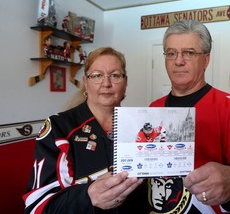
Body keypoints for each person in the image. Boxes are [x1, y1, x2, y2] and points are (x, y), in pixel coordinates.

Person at [148, 20, 230, 213]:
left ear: (206, 59)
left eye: (189, 53)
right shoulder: (153, 108)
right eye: (171, 53)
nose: (178, 61)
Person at [23, 47, 148, 214]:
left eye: (115, 75)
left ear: (125, 83)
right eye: (97, 75)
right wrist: (88, 196)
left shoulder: (142, 126)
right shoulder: (59, 127)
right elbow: (36, 207)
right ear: (86, 82)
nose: (106, 83)